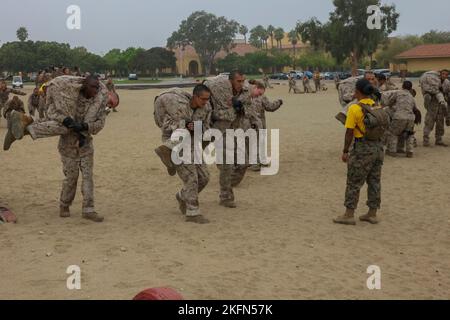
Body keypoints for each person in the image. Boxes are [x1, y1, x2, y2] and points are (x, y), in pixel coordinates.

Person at [4, 75, 108, 222]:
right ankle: (64, 205)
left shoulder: (98, 103)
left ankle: (88, 209)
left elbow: (100, 124)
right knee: (71, 178)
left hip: (85, 144)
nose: (96, 90)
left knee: (87, 177)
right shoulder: (67, 96)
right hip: (68, 145)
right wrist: (67, 120)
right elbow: (52, 113)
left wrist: (85, 126)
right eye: (93, 87)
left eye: (98, 87)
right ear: (84, 85)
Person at [334, 78, 389, 226]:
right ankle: (372, 213)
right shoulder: (377, 105)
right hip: (378, 148)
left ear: (357, 91)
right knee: (374, 181)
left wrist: (345, 151)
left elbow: (349, 132)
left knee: (353, 182)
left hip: (362, 149)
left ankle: (349, 214)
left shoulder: (354, 108)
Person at [154, 85, 212, 224]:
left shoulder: (206, 108)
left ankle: (182, 196)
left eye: (207, 99)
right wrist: (184, 125)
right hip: (176, 144)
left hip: (193, 145)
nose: (205, 102)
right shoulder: (177, 106)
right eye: (203, 99)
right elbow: (164, 126)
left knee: (204, 177)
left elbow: (206, 127)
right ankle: (193, 212)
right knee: (191, 178)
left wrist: (198, 130)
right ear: (195, 96)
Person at [203, 70, 252, 208]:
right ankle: (226, 196)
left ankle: (230, 181)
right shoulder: (218, 88)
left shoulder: (245, 91)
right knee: (226, 163)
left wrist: (239, 107)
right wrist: (234, 109)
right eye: (238, 81)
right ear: (231, 80)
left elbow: (248, 110)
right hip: (217, 128)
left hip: (235, 129)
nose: (241, 84)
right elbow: (216, 113)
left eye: (243, 81)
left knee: (244, 162)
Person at [384, 81, 418, 158]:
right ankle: (409, 152)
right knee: (409, 134)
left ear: (402, 86)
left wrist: (391, 106)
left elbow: (390, 102)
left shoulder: (398, 93)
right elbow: (415, 108)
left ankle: (392, 151)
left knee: (393, 133)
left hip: (399, 117)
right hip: (411, 118)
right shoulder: (411, 96)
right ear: (411, 88)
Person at [421, 70, 450, 147]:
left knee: (440, 124)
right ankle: (426, 140)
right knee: (429, 123)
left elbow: (447, 93)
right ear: (440, 74)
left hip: (441, 106)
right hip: (432, 105)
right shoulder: (433, 81)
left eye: (446, 74)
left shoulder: (447, 83)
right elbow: (427, 92)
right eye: (443, 74)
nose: (444, 75)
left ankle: (439, 140)